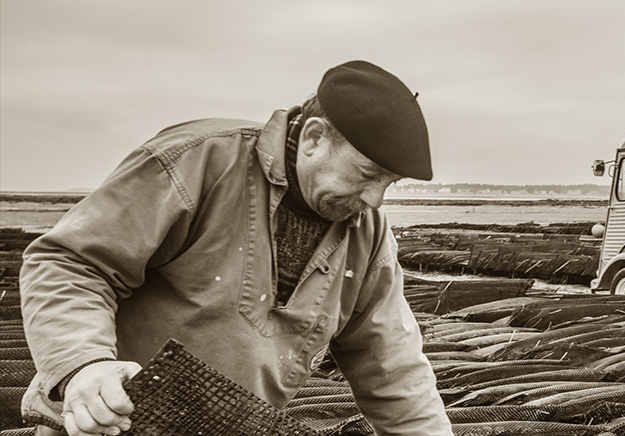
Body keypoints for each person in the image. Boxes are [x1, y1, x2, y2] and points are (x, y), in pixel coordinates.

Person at [20, 61, 452, 435]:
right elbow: (70, 263)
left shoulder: (366, 232)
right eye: (366, 173)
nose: (376, 199)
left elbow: (392, 366)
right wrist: (84, 364)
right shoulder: (198, 161)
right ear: (315, 137)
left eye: (388, 184)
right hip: (107, 424)